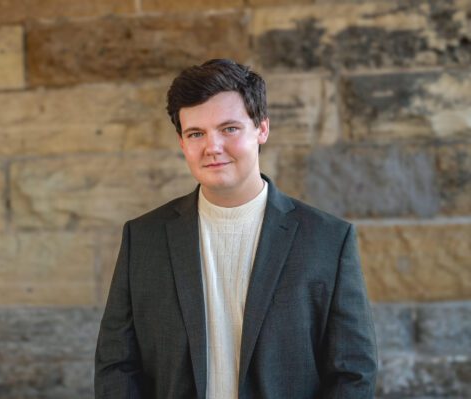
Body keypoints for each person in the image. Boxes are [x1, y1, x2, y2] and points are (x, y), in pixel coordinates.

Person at [94, 59, 377, 398]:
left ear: (262, 129)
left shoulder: (328, 240)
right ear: (182, 143)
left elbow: (353, 371)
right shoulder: (143, 238)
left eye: (229, 129)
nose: (212, 147)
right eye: (196, 133)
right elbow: (117, 365)